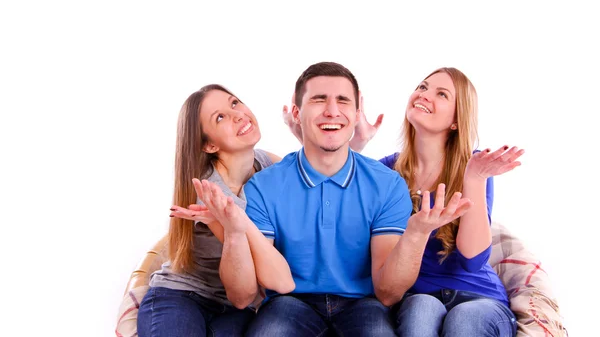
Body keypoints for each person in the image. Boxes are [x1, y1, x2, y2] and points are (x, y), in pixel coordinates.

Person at [195, 61, 472, 337]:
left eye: (343, 101)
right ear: (296, 112)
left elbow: (388, 294)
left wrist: (416, 233)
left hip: (364, 304)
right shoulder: (262, 186)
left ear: (356, 113)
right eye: (318, 100)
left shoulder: (387, 184)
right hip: (289, 303)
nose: (332, 111)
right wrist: (232, 230)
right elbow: (243, 295)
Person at [137, 84, 294, 337]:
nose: (238, 114)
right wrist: (233, 228)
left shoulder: (263, 162)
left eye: (234, 103)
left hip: (232, 308)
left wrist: (302, 132)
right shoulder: (209, 192)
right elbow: (252, 287)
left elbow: (318, 176)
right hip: (182, 296)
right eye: (220, 117)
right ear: (209, 145)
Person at [378, 67, 524, 336]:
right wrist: (356, 144)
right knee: (420, 310)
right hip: (420, 297)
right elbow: (339, 192)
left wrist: (476, 179)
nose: (424, 95)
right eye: (422, 87)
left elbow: (473, 260)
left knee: (464, 321)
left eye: (441, 94)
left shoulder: (475, 166)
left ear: (456, 120)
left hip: (479, 298)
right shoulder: (387, 171)